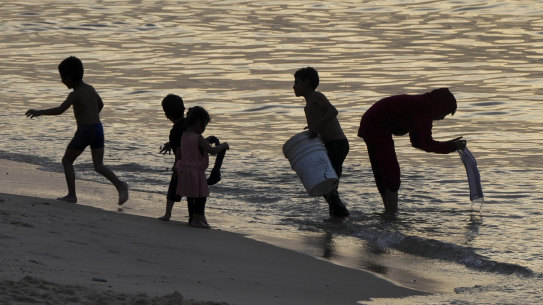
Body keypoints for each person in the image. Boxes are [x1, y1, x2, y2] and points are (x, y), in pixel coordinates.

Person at [25, 56, 128, 205]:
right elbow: (101, 104)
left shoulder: (75, 94)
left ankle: (72, 195)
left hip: (85, 131)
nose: (62, 81)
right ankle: (120, 185)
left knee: (67, 160)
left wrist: (39, 112)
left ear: (70, 77)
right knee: (98, 165)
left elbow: (60, 110)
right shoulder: (90, 89)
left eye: (63, 78)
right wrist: (91, 115)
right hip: (98, 129)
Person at [357, 88, 467, 215]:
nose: (442, 118)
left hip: (371, 123)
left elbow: (417, 142)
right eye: (445, 114)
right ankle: (391, 214)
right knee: (390, 172)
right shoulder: (424, 107)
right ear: (440, 106)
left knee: (384, 171)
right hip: (376, 125)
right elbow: (425, 143)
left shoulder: (422, 104)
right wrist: (452, 146)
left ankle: (389, 212)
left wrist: (449, 145)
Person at [158, 94, 227, 222]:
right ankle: (199, 217)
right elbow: (191, 144)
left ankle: (168, 213)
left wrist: (175, 164)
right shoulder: (189, 123)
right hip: (191, 166)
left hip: (181, 166)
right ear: (184, 109)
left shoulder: (175, 132)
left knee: (173, 190)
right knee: (197, 194)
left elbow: (180, 148)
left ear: (166, 115)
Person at [293, 67, 350, 218]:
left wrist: (316, 125)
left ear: (306, 83)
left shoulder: (316, 96)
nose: (293, 86)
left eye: (296, 82)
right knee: (326, 183)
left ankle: (341, 213)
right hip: (329, 146)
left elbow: (333, 111)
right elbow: (316, 131)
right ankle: (336, 215)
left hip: (338, 144)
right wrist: (310, 134)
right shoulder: (307, 107)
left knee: (329, 183)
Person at [175, 106, 229, 228]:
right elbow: (212, 150)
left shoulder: (184, 135)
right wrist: (224, 146)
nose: (204, 129)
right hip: (195, 172)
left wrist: (207, 140)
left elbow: (191, 147)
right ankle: (197, 219)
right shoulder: (198, 138)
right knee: (201, 196)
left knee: (191, 196)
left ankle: (192, 218)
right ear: (199, 124)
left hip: (184, 170)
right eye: (204, 126)